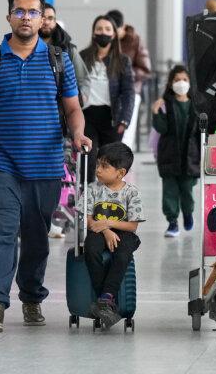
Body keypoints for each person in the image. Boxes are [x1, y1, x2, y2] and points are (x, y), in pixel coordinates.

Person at [0, 0, 90, 332]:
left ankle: (31, 297)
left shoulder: (57, 60)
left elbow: (73, 108)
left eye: (33, 12)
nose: (26, 17)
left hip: (45, 165)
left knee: (35, 237)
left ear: (43, 17)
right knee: (0, 233)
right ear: (9, 16)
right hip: (1, 163)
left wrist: (77, 134)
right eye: (20, 11)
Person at [82, 141, 143, 329]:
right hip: (98, 231)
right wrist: (106, 230)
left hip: (124, 232)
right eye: (98, 164)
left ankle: (106, 296)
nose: (98, 170)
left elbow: (132, 226)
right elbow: (88, 220)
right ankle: (105, 301)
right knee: (91, 250)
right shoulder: (92, 189)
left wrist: (109, 223)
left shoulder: (131, 193)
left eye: (104, 166)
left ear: (121, 172)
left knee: (123, 254)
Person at [79, 16, 135, 181]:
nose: (103, 32)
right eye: (99, 29)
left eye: (107, 29)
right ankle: (87, 195)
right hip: (86, 116)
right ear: (93, 33)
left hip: (112, 117)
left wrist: (125, 119)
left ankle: (108, 200)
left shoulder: (122, 61)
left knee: (110, 162)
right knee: (88, 158)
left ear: (114, 34)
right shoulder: (82, 56)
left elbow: (128, 92)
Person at [151, 65, 200, 237]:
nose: (181, 83)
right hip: (169, 156)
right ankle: (172, 223)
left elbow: (200, 133)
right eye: (177, 80)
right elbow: (161, 128)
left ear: (190, 83)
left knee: (187, 190)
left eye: (184, 80)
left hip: (190, 157)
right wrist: (156, 112)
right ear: (171, 83)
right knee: (169, 192)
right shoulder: (166, 105)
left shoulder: (196, 106)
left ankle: (187, 214)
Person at [105, 10, 151, 149]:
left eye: (115, 30)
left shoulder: (135, 40)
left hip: (131, 91)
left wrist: (126, 73)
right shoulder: (107, 41)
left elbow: (145, 69)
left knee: (126, 131)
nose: (112, 33)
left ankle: (124, 163)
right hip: (109, 92)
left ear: (123, 27)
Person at [41, 3, 89, 104]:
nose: (46, 22)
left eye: (50, 18)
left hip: (64, 111)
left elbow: (83, 79)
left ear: (55, 21)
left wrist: (80, 100)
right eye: (42, 17)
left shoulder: (68, 49)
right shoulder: (25, 49)